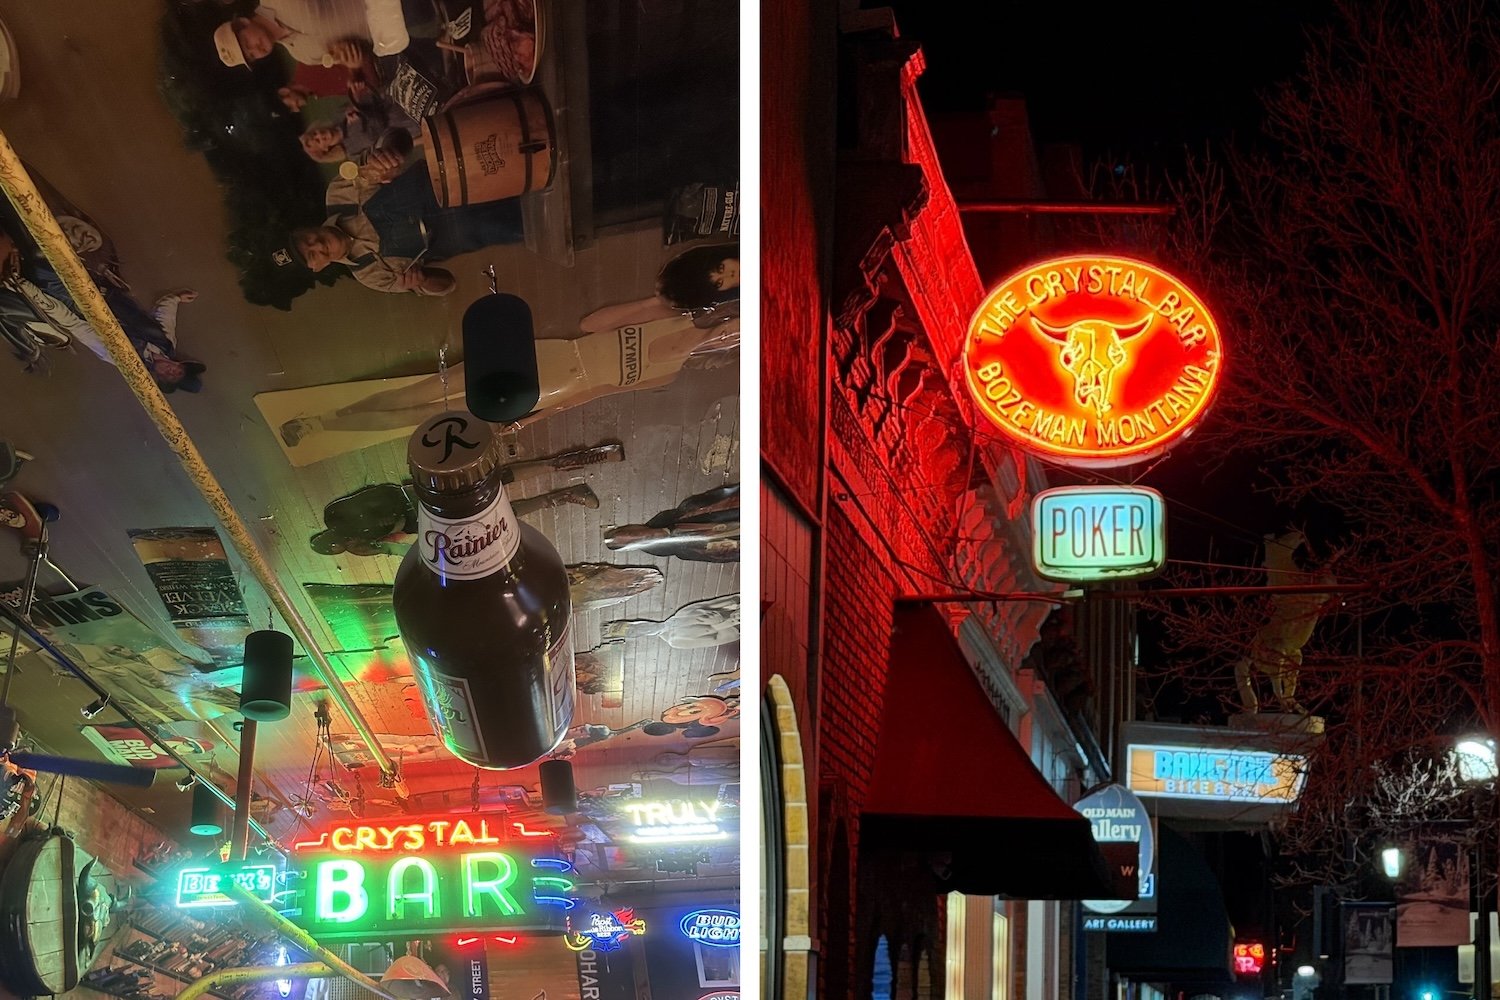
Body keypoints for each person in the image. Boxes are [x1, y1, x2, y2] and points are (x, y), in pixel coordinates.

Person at [275, 254, 740, 448]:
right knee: (430, 387)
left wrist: (529, 419)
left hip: (552, 387)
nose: (725, 334)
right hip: (550, 355)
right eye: (729, 326)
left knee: (438, 408)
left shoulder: (669, 374)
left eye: (733, 337)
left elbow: (594, 395)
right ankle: (327, 417)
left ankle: (322, 424)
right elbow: (590, 324)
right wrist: (655, 304)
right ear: (721, 315)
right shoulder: (670, 313)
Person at [277, 150, 522, 296]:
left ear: (306, 229)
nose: (317, 245)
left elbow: (389, 149)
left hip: (469, 173)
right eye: (311, 255)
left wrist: (386, 158)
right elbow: (448, 284)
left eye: (306, 239)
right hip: (493, 226)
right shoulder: (370, 275)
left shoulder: (340, 192)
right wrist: (422, 281)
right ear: (317, 268)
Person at [213, 4, 371, 69]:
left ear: (243, 22)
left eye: (247, 43)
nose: (256, 50)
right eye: (252, 56)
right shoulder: (304, 55)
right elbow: (366, 50)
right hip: (390, 29)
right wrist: (355, 62)